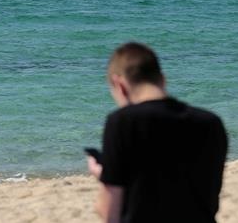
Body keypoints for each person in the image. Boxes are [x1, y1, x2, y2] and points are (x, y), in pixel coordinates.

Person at [88, 42, 227, 223]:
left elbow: (109, 213)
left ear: (119, 84)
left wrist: (105, 177)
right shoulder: (211, 123)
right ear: (163, 79)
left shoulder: (122, 121)